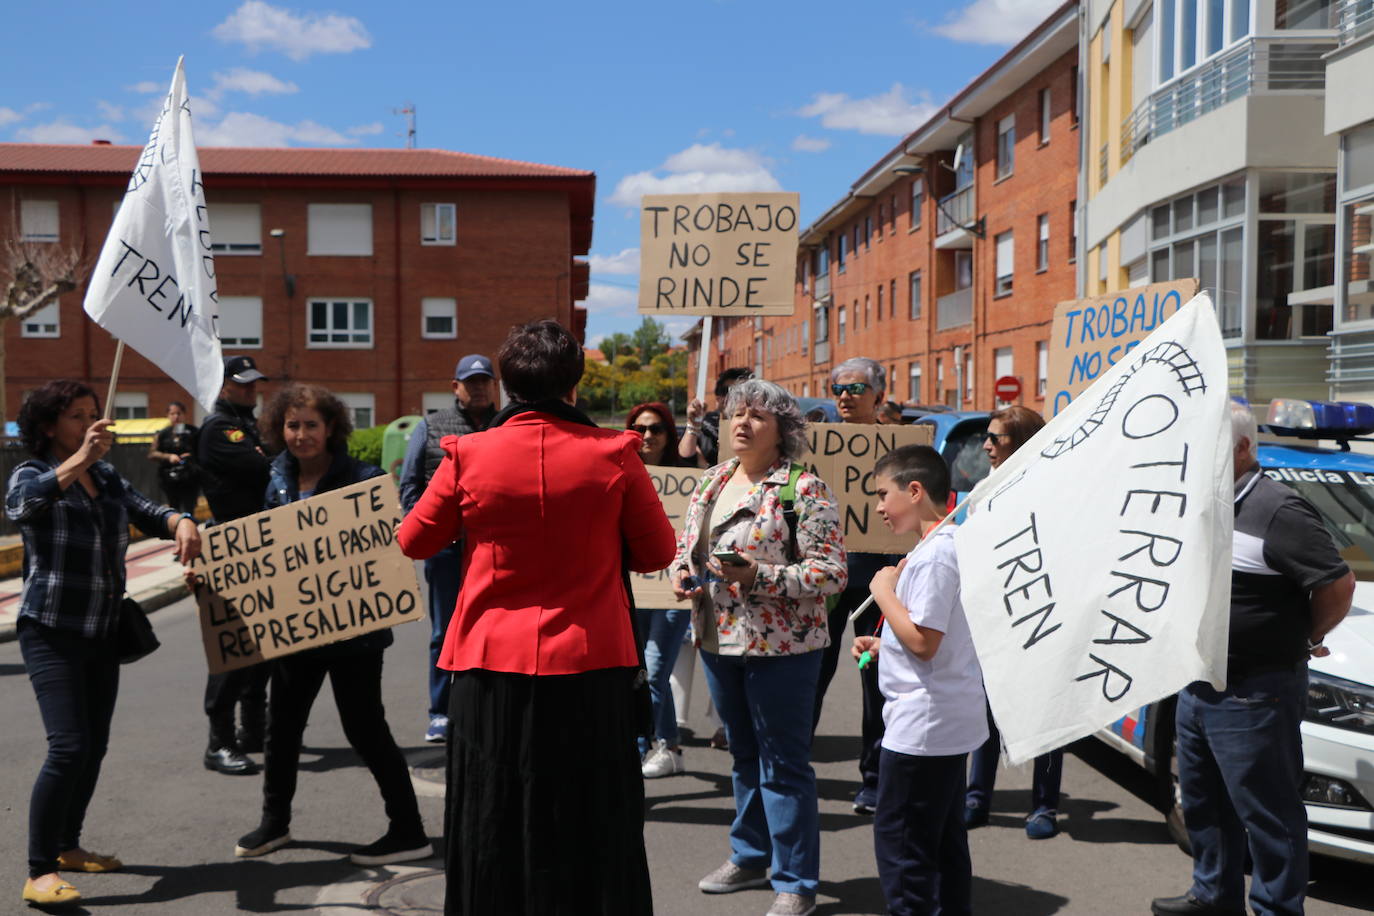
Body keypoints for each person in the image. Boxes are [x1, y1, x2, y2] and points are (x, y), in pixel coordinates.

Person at [398, 319, 675, 915]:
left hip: (487, 662)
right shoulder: (615, 454)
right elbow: (657, 553)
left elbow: (414, 540)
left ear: (510, 388)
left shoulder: (467, 453)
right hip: (590, 662)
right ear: (574, 388)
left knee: (493, 815)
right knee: (590, 819)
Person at [1151, 403, 1354, 916]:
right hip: (1198, 686)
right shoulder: (1201, 501)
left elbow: (1337, 584)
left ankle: (1275, 909)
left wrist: (1303, 637)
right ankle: (1213, 896)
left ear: (1242, 448)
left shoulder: (1278, 510)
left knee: (1269, 815)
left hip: (1253, 692)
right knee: (1205, 806)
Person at [7, 380, 202, 908]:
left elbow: (146, 509)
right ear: (49, 427)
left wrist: (180, 519)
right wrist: (79, 460)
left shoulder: (107, 476)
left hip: (102, 629)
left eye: (96, 414)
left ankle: (68, 846)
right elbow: (22, 508)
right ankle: (39, 869)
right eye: (77, 416)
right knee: (67, 746)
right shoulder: (33, 474)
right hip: (51, 629)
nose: (94, 424)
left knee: (93, 746)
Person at [233, 384, 431, 866]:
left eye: (311, 425)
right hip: (297, 632)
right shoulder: (276, 477)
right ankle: (274, 824)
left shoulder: (361, 479)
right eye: (292, 425)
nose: (301, 435)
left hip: (354, 635)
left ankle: (408, 829)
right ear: (280, 429)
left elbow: (385, 548)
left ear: (331, 428)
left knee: (366, 730)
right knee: (282, 730)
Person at [670, 378, 847, 916]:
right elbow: (687, 549)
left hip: (783, 647)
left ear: (783, 430)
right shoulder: (711, 480)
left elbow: (832, 571)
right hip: (717, 638)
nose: (742, 424)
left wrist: (759, 576)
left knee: (784, 764)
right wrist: (683, 573)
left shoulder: (803, 489)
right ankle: (750, 855)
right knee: (744, 755)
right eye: (736, 415)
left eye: (757, 417)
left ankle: (796, 882)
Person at [854, 444, 986, 916]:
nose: (878, 507)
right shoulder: (939, 548)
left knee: (906, 850)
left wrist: (881, 589)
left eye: (883, 494)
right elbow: (929, 637)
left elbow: (925, 641)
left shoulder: (934, 557)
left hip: (923, 728)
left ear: (914, 491)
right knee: (943, 844)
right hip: (942, 719)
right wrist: (882, 644)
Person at [963, 405, 1064, 838]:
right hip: (994, 617)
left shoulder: (1054, 490)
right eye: (987, 437)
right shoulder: (983, 489)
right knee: (985, 711)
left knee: (1044, 715)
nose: (986, 445)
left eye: (996, 438)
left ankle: (1044, 807)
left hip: (1042, 615)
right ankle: (976, 797)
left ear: (1020, 442)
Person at [811, 357, 900, 815]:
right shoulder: (813, 447)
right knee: (810, 676)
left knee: (876, 683)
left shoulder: (896, 451)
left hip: (875, 585)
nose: (844, 396)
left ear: (879, 396)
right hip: (822, 579)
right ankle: (794, 770)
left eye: (856, 388)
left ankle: (874, 779)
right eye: (837, 388)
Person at [399, 353, 497, 745]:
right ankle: (440, 712)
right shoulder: (430, 426)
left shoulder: (506, 425)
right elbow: (409, 486)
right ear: (455, 386)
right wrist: (423, 528)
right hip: (445, 550)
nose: (477, 388)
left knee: (492, 629)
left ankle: (486, 707)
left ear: (494, 386)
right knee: (443, 632)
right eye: (469, 382)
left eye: (483, 381)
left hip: (493, 550)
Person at [197, 355, 273, 775]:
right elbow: (265, 466)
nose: (251, 390)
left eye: (254, 384)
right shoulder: (219, 428)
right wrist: (267, 453)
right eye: (243, 384)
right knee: (232, 648)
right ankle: (219, 741)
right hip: (231, 548)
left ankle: (253, 729)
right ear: (224, 385)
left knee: (263, 646)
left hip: (258, 547)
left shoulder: (248, 425)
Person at [625, 401, 692, 778]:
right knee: (645, 671)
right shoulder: (621, 473)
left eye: (655, 429)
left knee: (653, 671)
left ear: (669, 434)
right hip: (634, 589)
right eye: (639, 428)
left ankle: (637, 748)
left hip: (671, 592)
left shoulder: (688, 479)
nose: (647, 436)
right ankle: (671, 745)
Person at [679, 367, 753, 467]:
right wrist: (693, 425)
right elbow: (685, 458)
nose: (735, 397)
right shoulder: (704, 426)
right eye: (728, 391)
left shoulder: (757, 428)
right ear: (718, 398)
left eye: (743, 392)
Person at [146, 401, 199, 514]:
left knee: (189, 508)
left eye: (179, 413)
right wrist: (169, 457)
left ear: (184, 415)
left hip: (190, 477)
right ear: (168, 415)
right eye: (173, 413)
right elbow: (152, 454)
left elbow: (203, 451)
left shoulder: (194, 432)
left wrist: (191, 456)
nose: (176, 417)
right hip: (169, 478)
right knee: (174, 509)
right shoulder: (162, 434)